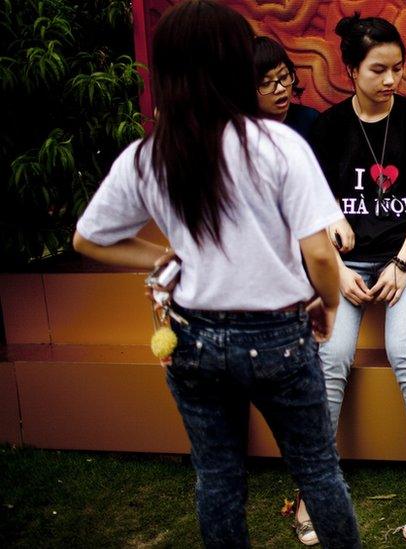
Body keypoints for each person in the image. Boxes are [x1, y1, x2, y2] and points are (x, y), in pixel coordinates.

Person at [71, 1, 360, 547]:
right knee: (318, 472)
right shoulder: (278, 146)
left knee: (219, 479)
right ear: (233, 64)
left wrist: (162, 256)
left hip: (192, 338)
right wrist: (328, 303)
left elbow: (89, 238)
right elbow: (321, 256)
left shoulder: (150, 154)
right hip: (278, 336)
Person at [300, 12, 406, 544]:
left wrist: (405, 263)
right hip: (344, 264)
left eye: (398, 68)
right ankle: (315, 488)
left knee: (404, 351)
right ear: (351, 71)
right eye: (379, 70)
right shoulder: (328, 127)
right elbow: (312, 203)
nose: (392, 80)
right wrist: (338, 269)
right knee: (332, 356)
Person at [254, 36, 319, 140]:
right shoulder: (241, 132)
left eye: (284, 77)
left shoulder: (311, 121)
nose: (280, 89)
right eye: (266, 83)